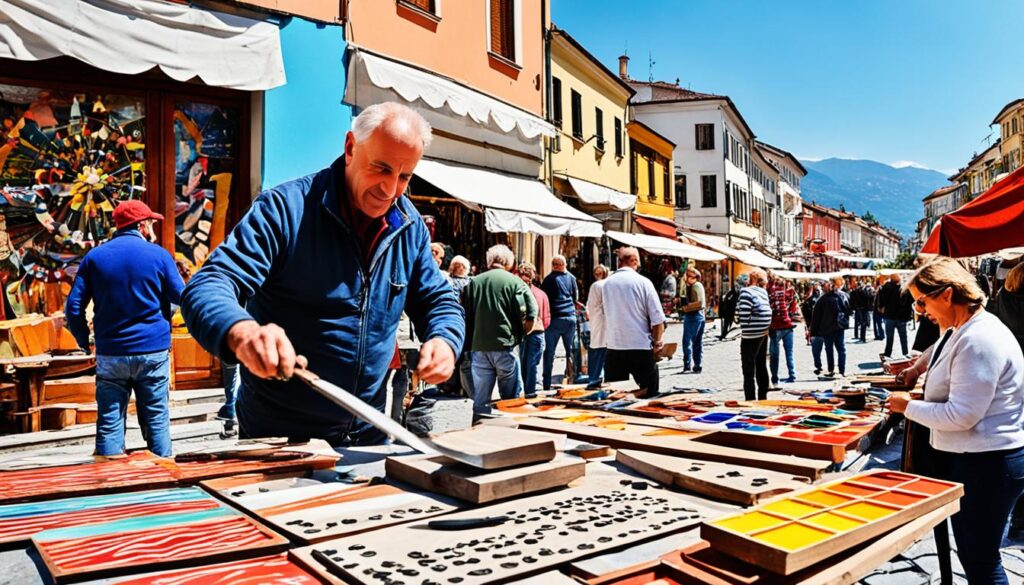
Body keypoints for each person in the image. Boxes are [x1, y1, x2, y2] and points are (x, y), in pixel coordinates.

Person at [180, 102, 464, 445]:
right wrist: (241, 332)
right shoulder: (284, 209)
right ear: (349, 148)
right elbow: (209, 284)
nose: (390, 190)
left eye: (404, 177)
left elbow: (439, 300)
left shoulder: (409, 226)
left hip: (369, 435)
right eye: (381, 168)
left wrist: (445, 340)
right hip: (280, 439)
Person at [887, 258, 1024, 584]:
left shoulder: (979, 340)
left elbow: (961, 416)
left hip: (989, 464)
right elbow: (941, 345)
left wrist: (906, 407)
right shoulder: (966, 327)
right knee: (976, 556)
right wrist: (918, 367)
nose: (920, 310)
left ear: (947, 295)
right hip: (978, 460)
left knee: (981, 561)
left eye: (923, 301)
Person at [65, 200, 184, 458]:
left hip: (111, 353)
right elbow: (181, 296)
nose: (152, 227)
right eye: (151, 222)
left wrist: (83, 341)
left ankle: (108, 482)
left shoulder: (94, 257)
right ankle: (164, 482)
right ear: (141, 226)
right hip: (153, 351)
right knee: (156, 418)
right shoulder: (159, 255)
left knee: (109, 421)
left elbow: (74, 307)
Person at [461, 245, 536, 414]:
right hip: (505, 345)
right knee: (510, 401)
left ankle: (481, 430)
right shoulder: (515, 281)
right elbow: (532, 311)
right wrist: (523, 332)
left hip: (479, 348)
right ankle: (509, 435)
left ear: (489, 261)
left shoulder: (474, 282)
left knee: (480, 400)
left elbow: (465, 314)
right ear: (509, 262)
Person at [595, 247, 665, 394]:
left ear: (619, 262)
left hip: (615, 347)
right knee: (649, 396)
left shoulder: (607, 284)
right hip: (640, 348)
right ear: (634, 261)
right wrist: (658, 344)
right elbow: (657, 319)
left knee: (615, 398)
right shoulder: (643, 282)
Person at [541, 255, 579, 389]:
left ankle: (546, 383)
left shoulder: (548, 280)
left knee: (549, 352)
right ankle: (573, 379)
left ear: (553, 265)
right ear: (565, 265)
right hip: (570, 317)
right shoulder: (572, 278)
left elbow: (544, 300)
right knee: (571, 351)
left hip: (555, 319)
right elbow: (575, 298)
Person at [736, 269, 772, 400]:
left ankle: (750, 399)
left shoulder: (745, 292)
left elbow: (743, 315)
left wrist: (744, 327)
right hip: (764, 332)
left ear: (751, 280)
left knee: (748, 369)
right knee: (761, 364)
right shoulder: (763, 292)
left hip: (751, 334)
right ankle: (763, 396)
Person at [517, 261, 549, 398]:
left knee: (522, 364)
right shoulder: (540, 293)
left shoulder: (517, 291)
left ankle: (525, 392)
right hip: (537, 331)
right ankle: (531, 393)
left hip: (522, 331)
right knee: (533, 365)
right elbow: (546, 317)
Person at [811, 279, 851, 377]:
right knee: (841, 349)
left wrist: (814, 331)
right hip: (839, 327)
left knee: (829, 350)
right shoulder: (843, 296)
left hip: (827, 328)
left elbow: (816, 316)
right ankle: (842, 370)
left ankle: (831, 370)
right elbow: (848, 310)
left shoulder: (822, 299)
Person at [767, 275, 799, 384]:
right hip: (788, 325)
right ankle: (792, 374)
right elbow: (793, 307)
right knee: (789, 352)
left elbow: (769, 307)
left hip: (775, 326)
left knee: (774, 355)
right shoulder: (789, 293)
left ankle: (775, 378)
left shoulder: (769, 291)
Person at [585, 264, 610, 388]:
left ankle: (594, 380)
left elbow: (590, 306)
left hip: (599, 325)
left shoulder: (597, 286)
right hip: (604, 326)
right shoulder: (606, 285)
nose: (598, 276)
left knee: (597, 354)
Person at [877, 273, 913, 357]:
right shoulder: (904, 289)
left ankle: (887, 354)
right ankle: (905, 354)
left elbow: (881, 301)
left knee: (889, 338)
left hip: (889, 316)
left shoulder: (885, 288)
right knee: (903, 338)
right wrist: (908, 315)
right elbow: (909, 302)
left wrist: (882, 308)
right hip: (901, 317)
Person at [680, 267, 706, 373]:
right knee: (697, 342)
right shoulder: (698, 285)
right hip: (700, 316)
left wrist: (685, 307)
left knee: (687, 342)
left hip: (693, 316)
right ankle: (697, 365)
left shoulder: (695, 286)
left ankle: (687, 365)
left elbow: (697, 303)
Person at [873, 275, 887, 341]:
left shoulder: (881, 288)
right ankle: (880, 334)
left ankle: (881, 335)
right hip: (877, 308)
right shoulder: (879, 288)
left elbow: (880, 299)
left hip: (878, 308)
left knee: (879, 322)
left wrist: (880, 307)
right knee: (878, 322)